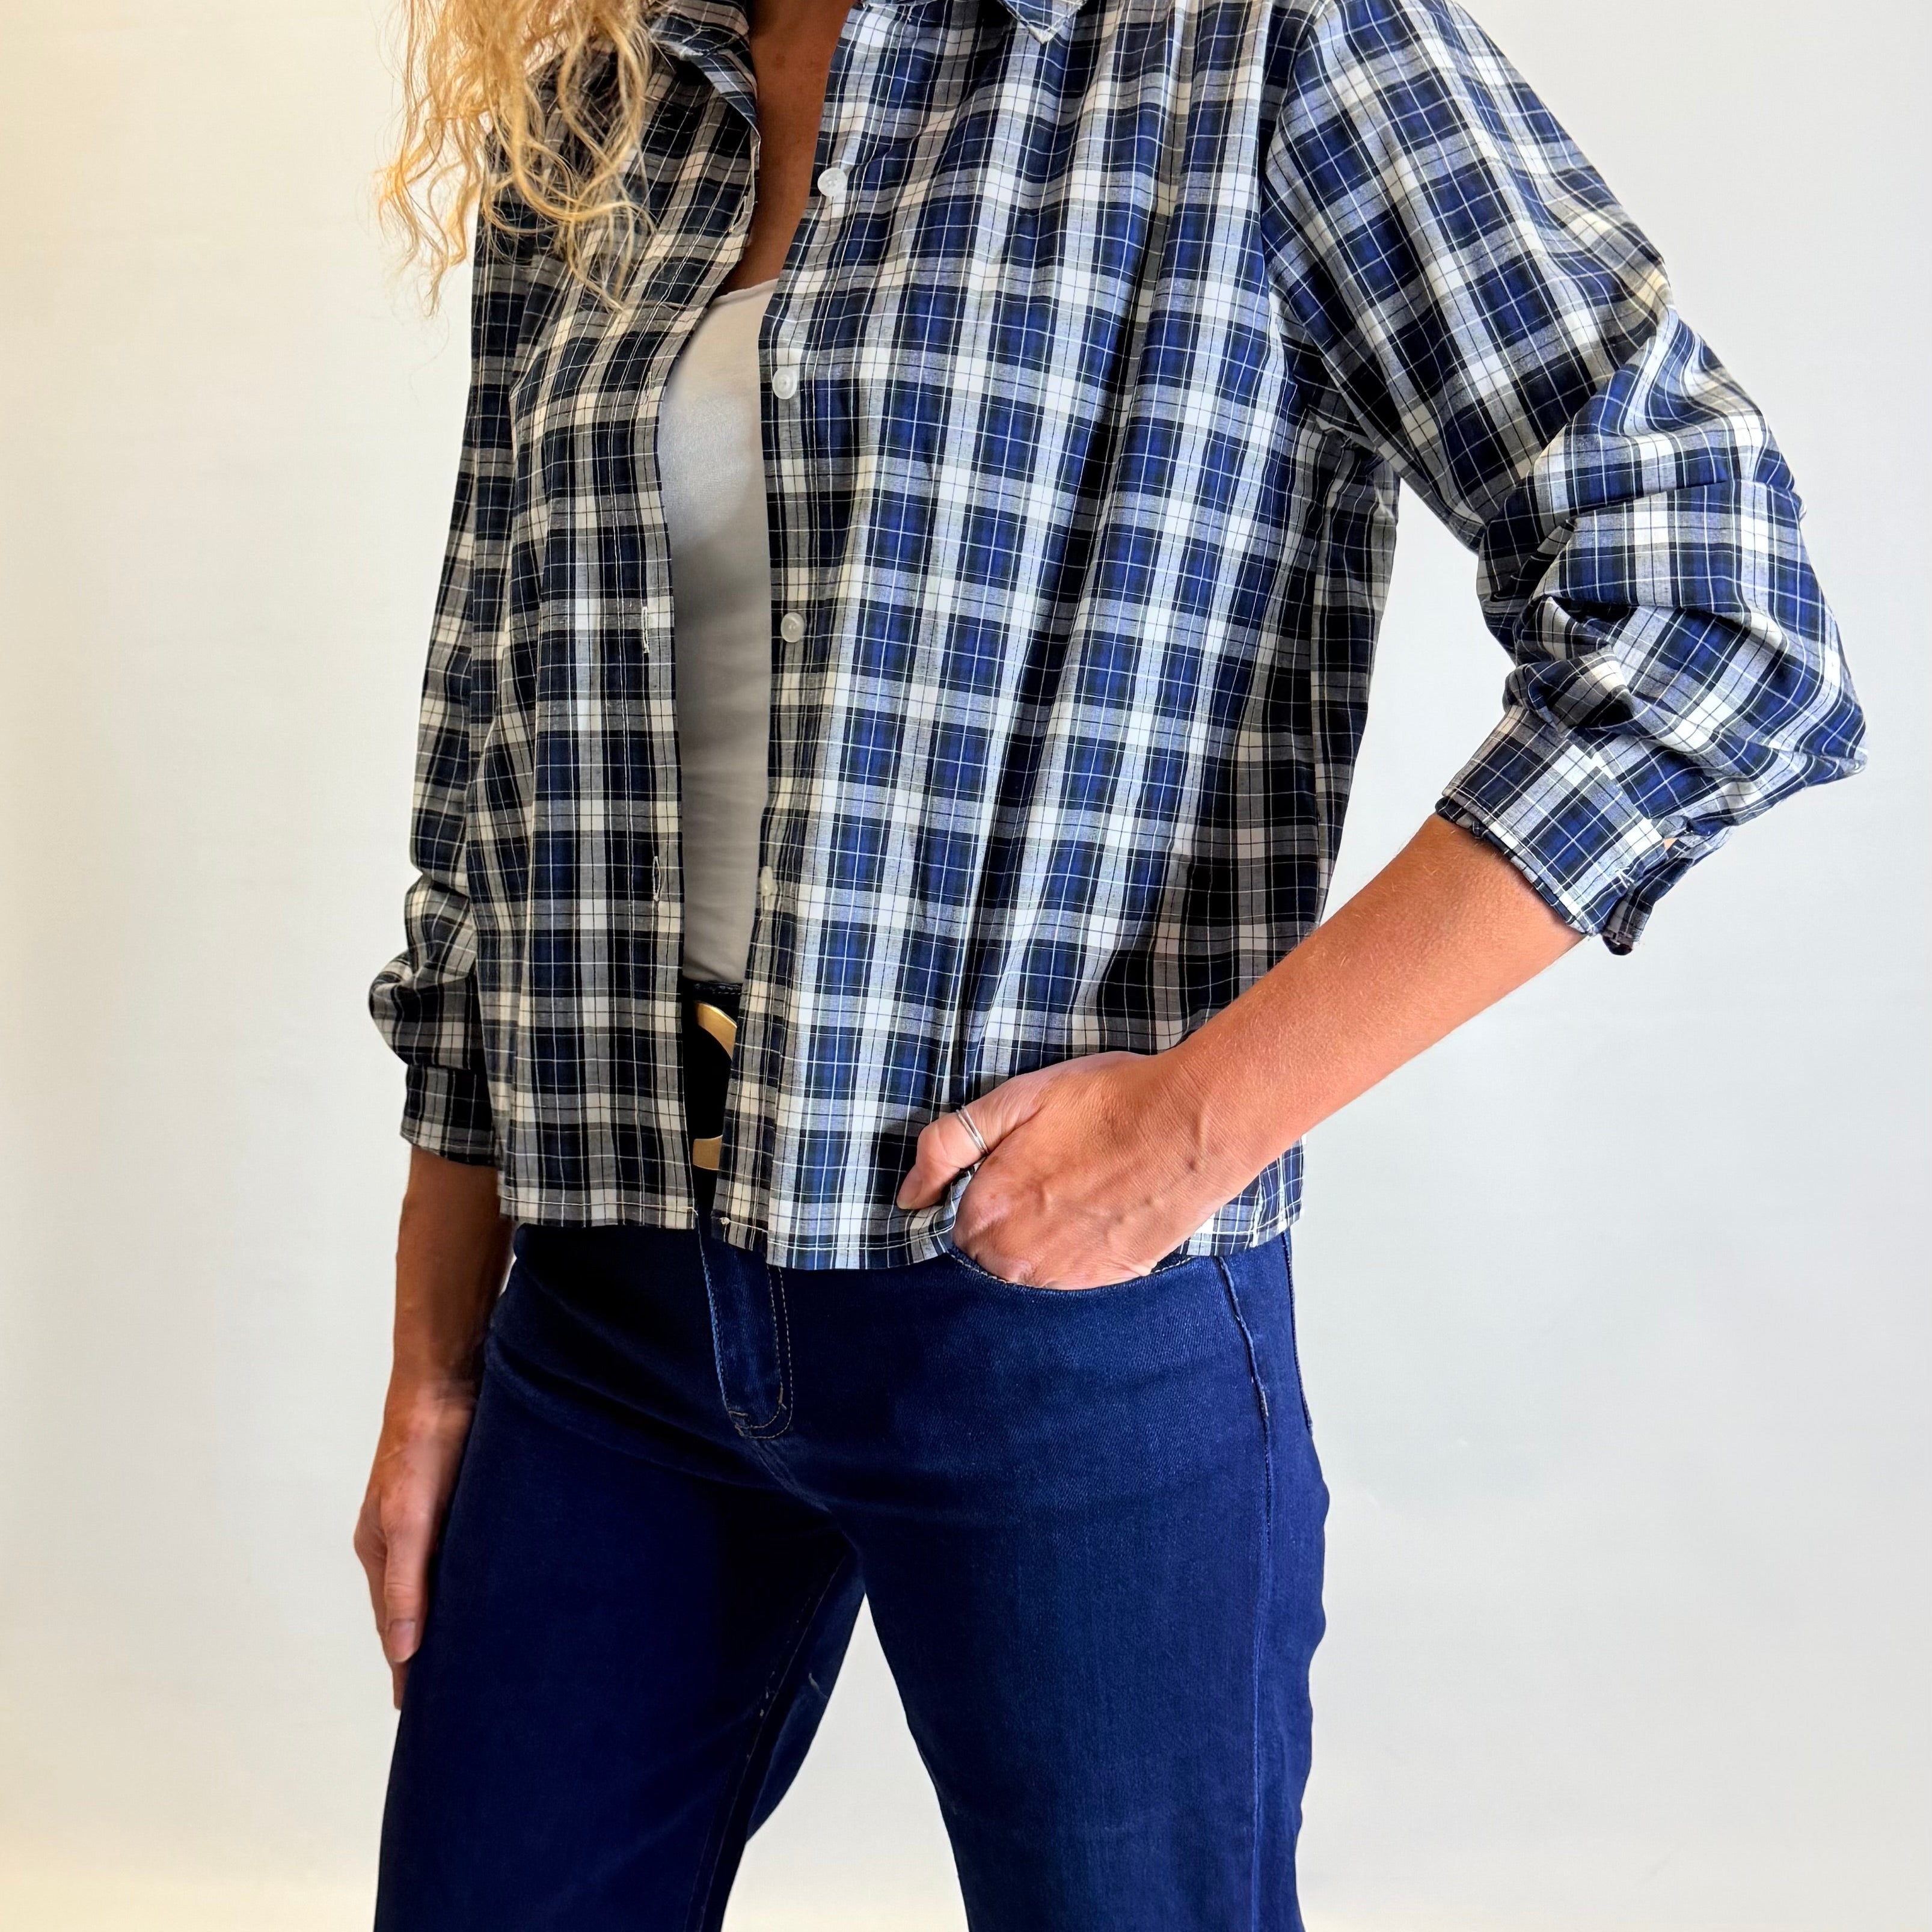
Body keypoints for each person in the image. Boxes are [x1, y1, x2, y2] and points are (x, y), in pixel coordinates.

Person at [354, 0, 1865, 1923]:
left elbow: (1717, 619)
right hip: (603, 1309)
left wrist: (1198, 1123)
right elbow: (487, 746)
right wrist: (430, 1373)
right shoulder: (597, 106)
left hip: (1051, 1321)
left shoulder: (1259, 46)